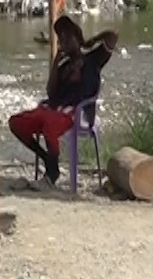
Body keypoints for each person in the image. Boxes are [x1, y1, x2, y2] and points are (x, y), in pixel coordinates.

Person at [8, 14, 119, 184]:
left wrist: (91, 41)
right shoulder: (63, 65)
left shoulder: (93, 58)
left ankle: (51, 174)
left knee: (50, 124)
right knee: (16, 122)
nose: (64, 44)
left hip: (78, 113)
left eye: (68, 39)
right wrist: (55, 64)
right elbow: (51, 93)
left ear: (77, 37)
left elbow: (113, 35)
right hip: (56, 110)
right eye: (61, 40)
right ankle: (49, 161)